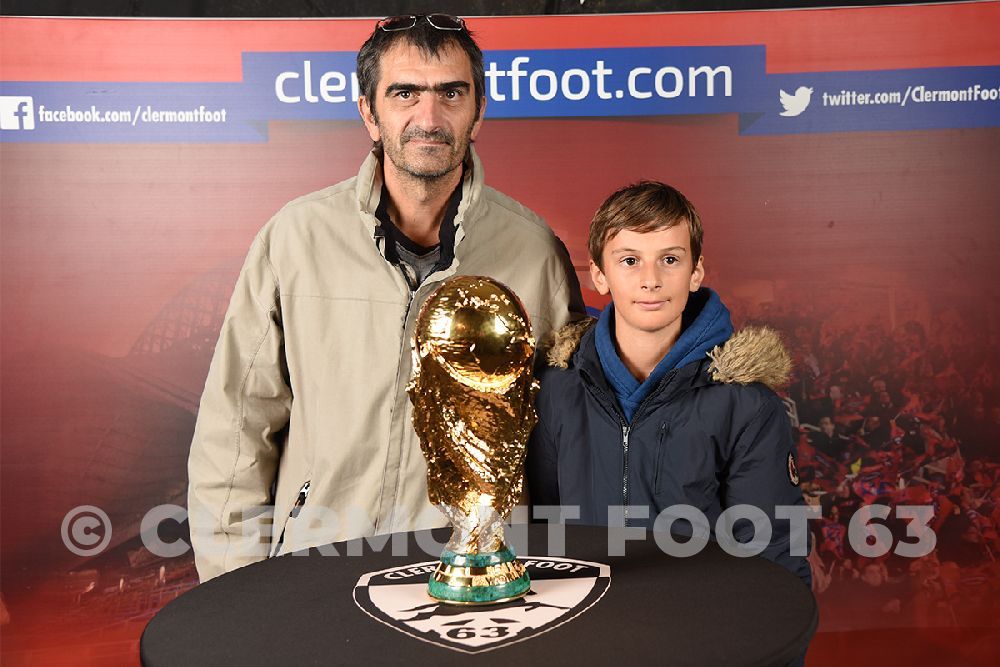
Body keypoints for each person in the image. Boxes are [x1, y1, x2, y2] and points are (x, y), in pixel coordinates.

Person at [188, 14, 583, 581]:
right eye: (405, 93)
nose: (429, 117)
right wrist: (237, 589)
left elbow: (561, 436)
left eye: (452, 93)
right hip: (318, 565)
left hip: (469, 580)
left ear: (479, 110)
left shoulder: (534, 250)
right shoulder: (295, 239)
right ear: (369, 113)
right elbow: (236, 428)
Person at [527, 181, 811, 586]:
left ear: (696, 272)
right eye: (629, 260)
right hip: (589, 633)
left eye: (670, 260)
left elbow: (774, 559)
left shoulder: (745, 405)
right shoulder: (557, 390)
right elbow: (542, 533)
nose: (650, 280)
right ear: (599, 275)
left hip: (697, 635)